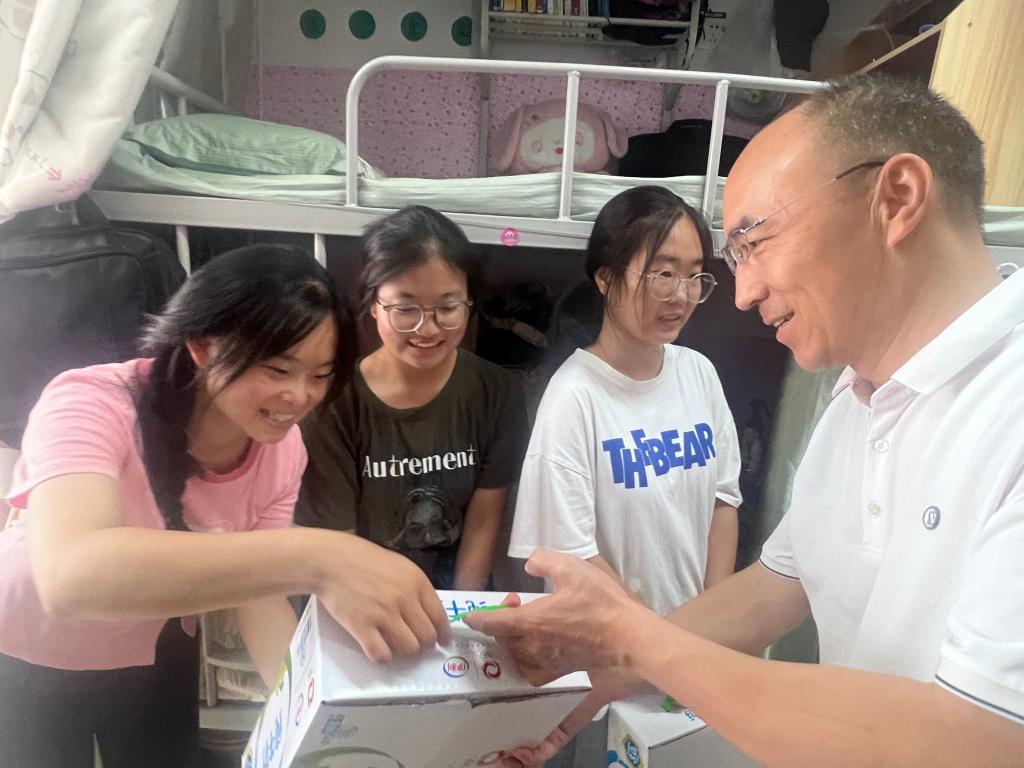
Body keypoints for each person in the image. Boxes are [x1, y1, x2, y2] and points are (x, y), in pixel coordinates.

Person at [467, 74, 1024, 767]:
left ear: (897, 199)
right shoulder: (856, 399)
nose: (741, 293)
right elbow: (777, 585)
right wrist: (601, 678)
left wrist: (636, 639)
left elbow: (983, 737)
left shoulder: (1007, 407)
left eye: (754, 242)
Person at [0, 244, 450, 768]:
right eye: (277, 369)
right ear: (202, 346)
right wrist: (322, 557)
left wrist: (312, 719)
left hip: (155, 642)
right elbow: (71, 577)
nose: (300, 396)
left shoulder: (282, 449)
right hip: (28, 647)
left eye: (320, 375)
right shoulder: (89, 402)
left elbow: (260, 599)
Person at [510, 185, 741, 616]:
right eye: (663, 274)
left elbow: (722, 502)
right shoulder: (573, 397)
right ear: (605, 278)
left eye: (694, 275)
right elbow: (573, 558)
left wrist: (708, 623)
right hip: (612, 642)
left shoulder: (699, 373)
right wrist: (657, 641)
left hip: (692, 640)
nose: (681, 295)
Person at [297, 206, 528, 590]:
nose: (428, 328)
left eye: (448, 307)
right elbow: (340, 546)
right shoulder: (335, 403)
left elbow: (484, 520)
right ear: (373, 304)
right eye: (406, 309)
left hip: (458, 594)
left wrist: (461, 615)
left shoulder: (497, 391)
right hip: (365, 593)